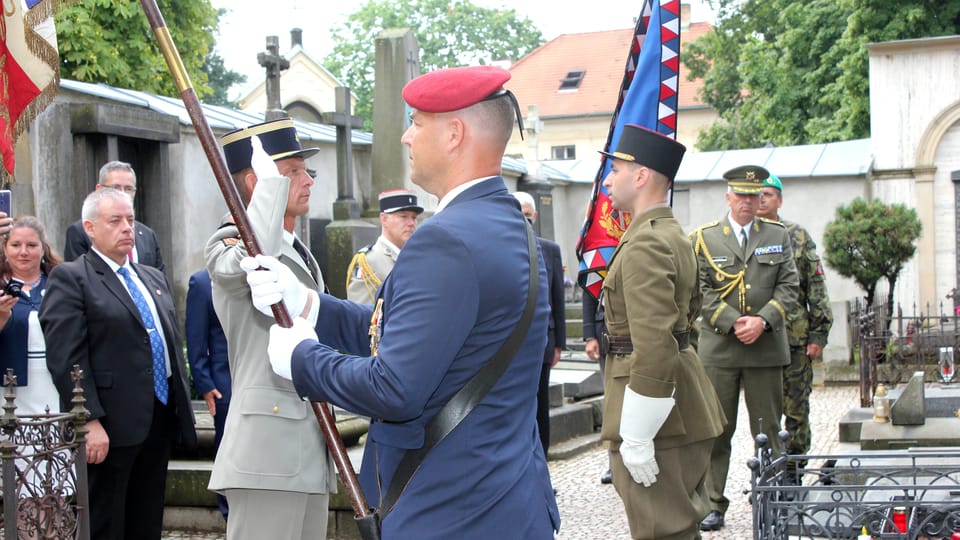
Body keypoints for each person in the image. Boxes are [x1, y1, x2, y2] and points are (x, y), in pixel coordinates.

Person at [242, 65, 559, 538]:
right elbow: (421, 339)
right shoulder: (510, 227)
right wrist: (309, 303)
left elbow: (394, 387)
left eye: (417, 122)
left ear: (454, 134)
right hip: (504, 500)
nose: (407, 137)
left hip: (450, 511)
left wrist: (302, 358)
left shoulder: (445, 240)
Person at [204, 118, 335, 540]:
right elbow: (250, 259)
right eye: (291, 171)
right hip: (267, 450)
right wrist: (268, 192)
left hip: (308, 443)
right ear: (254, 180)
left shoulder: (300, 250)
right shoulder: (226, 244)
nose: (306, 180)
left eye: (305, 170)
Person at [39, 188, 197, 540]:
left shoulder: (150, 278)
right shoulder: (73, 278)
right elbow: (66, 356)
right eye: (116, 221)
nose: (127, 227)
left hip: (157, 417)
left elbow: (168, 341)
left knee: (147, 517)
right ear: (90, 228)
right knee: (107, 521)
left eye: (130, 219)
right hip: (110, 424)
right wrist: (89, 420)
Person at [596, 124, 725, 539]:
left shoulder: (647, 244)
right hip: (675, 404)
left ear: (641, 175)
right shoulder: (670, 235)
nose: (608, 179)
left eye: (615, 169)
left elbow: (654, 344)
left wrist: (636, 433)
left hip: (655, 413)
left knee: (662, 530)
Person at [690, 164, 799, 531]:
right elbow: (698, 291)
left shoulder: (778, 235)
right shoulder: (705, 239)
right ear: (728, 197)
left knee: (769, 428)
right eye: (741, 196)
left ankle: (772, 496)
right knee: (716, 429)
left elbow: (789, 287)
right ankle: (712, 503)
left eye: (754, 196)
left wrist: (763, 320)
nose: (747, 203)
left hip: (765, 348)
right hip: (720, 350)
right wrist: (733, 321)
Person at [756, 174, 833, 480]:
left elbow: (815, 285)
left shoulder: (797, 236)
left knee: (797, 409)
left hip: (795, 340)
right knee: (764, 413)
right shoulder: (747, 236)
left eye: (768, 195)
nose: (761, 200)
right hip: (759, 341)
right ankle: (767, 470)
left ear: (779, 200)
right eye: (757, 195)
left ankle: (793, 471)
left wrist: (818, 333)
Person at [513, 190, 565, 458]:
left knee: (540, 406)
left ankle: (541, 462)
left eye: (526, 215)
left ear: (534, 215)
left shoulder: (550, 250)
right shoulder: (505, 248)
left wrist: (560, 344)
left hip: (543, 343)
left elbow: (558, 298)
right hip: (512, 344)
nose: (522, 220)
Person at [185, 266, 230, 520]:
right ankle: (229, 514)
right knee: (226, 450)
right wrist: (205, 384)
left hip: (256, 379)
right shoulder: (202, 282)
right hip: (224, 385)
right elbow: (196, 336)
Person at [62, 161, 165, 272]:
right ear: (99, 189)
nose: (123, 194)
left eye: (128, 189)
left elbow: (159, 281)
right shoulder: (80, 232)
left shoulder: (147, 234)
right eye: (115, 188)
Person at [346, 188, 423, 304]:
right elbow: (361, 315)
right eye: (403, 216)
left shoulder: (415, 257)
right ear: (384, 219)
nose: (411, 223)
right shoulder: (370, 261)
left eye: (414, 217)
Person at [582, 290, 613, 484]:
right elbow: (588, 286)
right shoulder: (596, 256)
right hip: (605, 332)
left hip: (635, 328)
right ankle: (615, 461)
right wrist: (589, 334)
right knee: (611, 401)